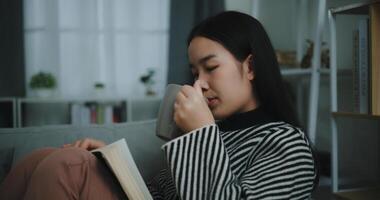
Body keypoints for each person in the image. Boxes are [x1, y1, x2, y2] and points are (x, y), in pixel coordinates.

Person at [0, 11, 317, 200]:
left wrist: (200, 133)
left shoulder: (285, 143)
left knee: (65, 166)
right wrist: (111, 163)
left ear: (250, 67)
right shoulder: (211, 131)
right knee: (41, 158)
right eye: (195, 73)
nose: (199, 84)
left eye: (211, 67)